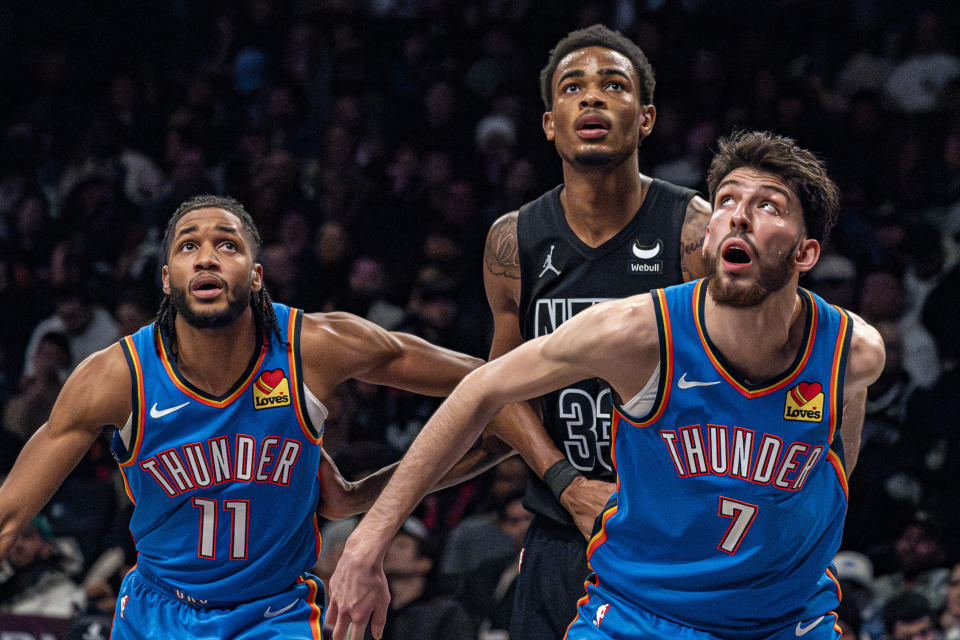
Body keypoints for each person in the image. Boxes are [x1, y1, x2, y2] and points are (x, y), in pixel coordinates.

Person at [327, 130, 886, 640]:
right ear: (710, 232)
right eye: (728, 201)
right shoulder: (638, 333)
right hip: (642, 617)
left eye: (768, 206)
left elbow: (837, 467)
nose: (739, 216)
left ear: (805, 252)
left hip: (783, 623)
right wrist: (366, 541)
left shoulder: (851, 354)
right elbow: (480, 390)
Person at [0, 194, 519, 639]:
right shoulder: (117, 376)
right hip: (158, 611)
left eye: (227, 244)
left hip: (276, 613)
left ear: (255, 275)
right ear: (166, 279)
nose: (206, 258)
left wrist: (367, 498)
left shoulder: (315, 347)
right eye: (188, 246)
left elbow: (494, 381)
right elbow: (9, 516)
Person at [473, 23, 712, 640]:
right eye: (573, 87)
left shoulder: (693, 231)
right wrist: (567, 483)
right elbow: (498, 391)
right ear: (550, 122)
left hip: (676, 533)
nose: (593, 98)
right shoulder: (514, 240)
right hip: (562, 528)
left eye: (614, 85)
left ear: (647, 117)